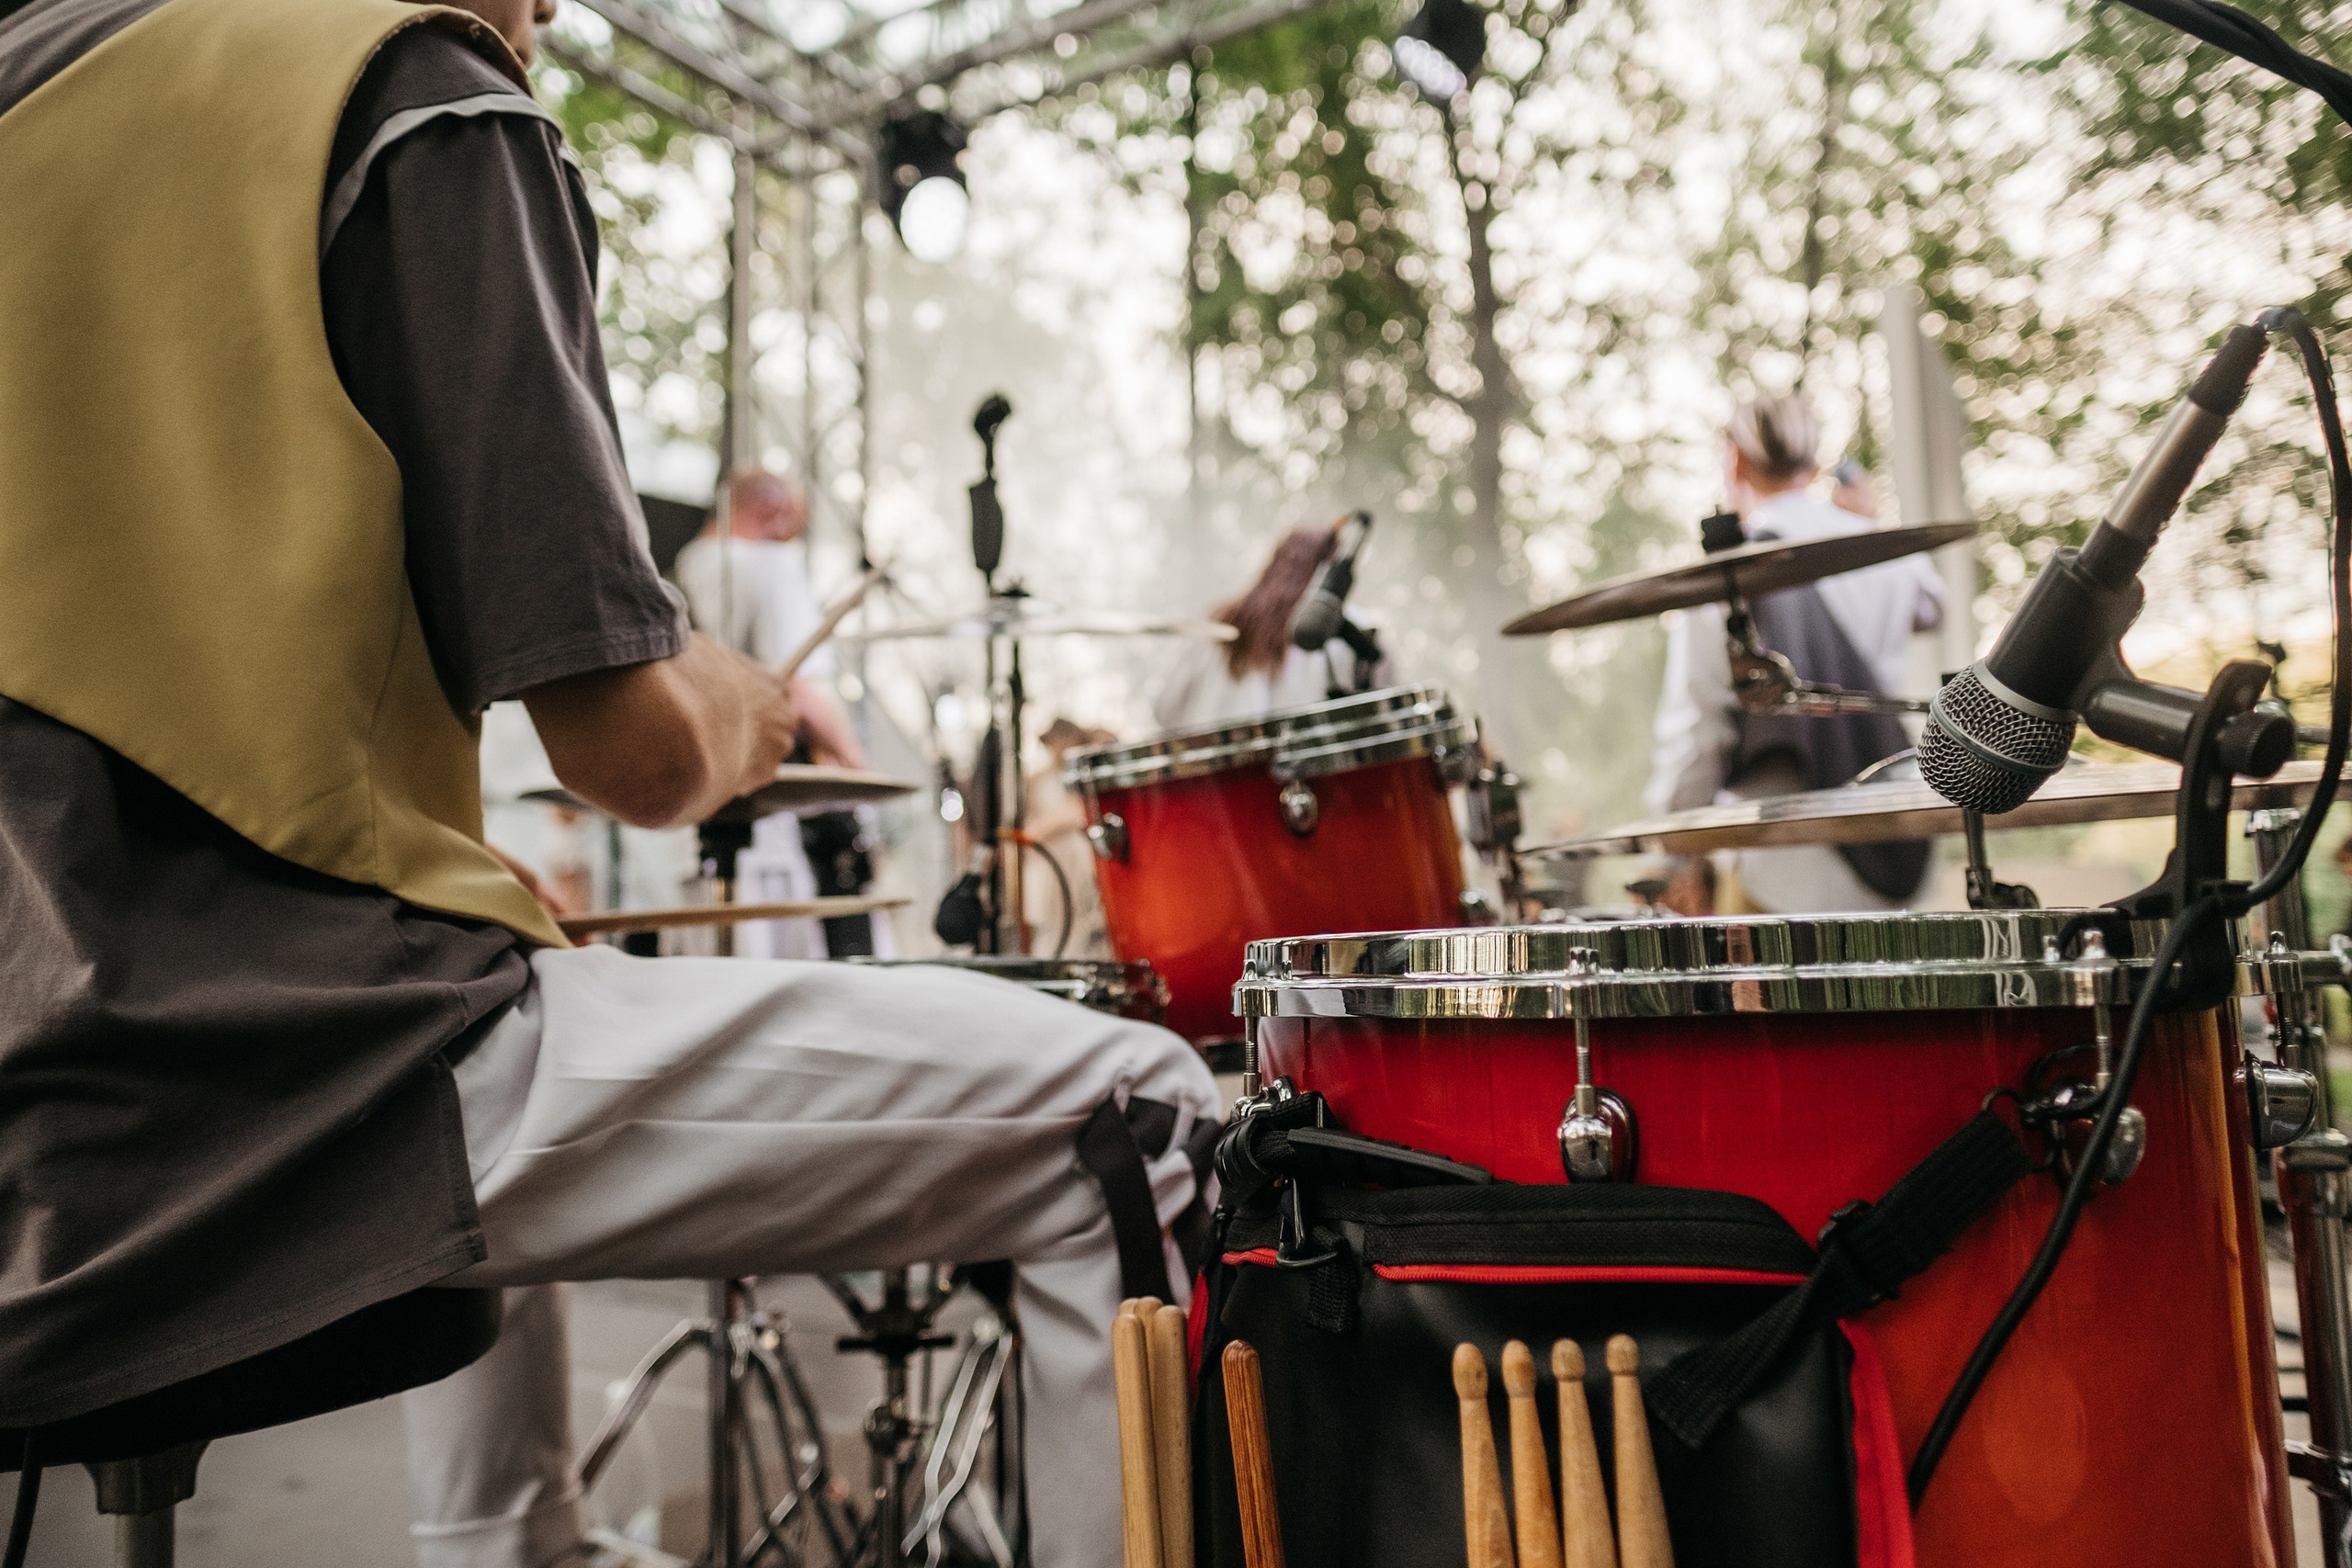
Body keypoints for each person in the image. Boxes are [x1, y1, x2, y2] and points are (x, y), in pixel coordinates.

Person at [0, 12, 1216, 1568]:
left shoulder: (41, 73)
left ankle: (509, 1544)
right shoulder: (405, 91)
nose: (555, 12)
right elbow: (633, 751)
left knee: (511, 973)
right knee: (1143, 1114)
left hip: (38, 1085)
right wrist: (742, 707)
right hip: (271, 1069)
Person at [1645, 393, 1944, 915]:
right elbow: (1930, 606)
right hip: (1895, 837)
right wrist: (1865, 524)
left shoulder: (1730, 576)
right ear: (1814, 464)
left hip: (1786, 869)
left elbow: (1699, 733)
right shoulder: (1881, 548)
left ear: (1733, 460)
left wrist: (1669, 855)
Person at [672, 468, 877, 957]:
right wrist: (858, 766)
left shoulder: (686, 568)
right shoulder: (771, 565)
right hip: (775, 804)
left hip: (700, 796)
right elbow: (802, 690)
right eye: (792, 527)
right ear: (772, 513)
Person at [1153, 518, 1392, 731]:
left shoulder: (1214, 626)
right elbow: (1392, 716)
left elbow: (1165, 713)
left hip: (1214, 779)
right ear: (1329, 567)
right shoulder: (1358, 627)